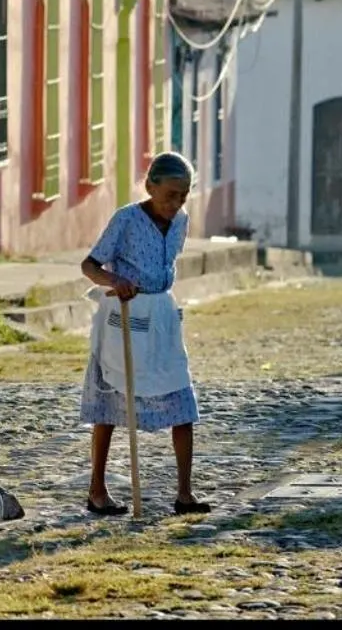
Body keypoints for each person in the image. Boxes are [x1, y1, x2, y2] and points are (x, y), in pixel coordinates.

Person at [78, 150, 211, 516]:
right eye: (170, 194)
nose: (176, 203)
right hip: (126, 313)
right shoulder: (126, 219)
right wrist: (115, 280)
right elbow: (90, 264)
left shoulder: (181, 220)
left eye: (183, 196)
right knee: (111, 404)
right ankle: (97, 490)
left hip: (162, 316)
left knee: (182, 400)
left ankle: (185, 494)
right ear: (150, 186)